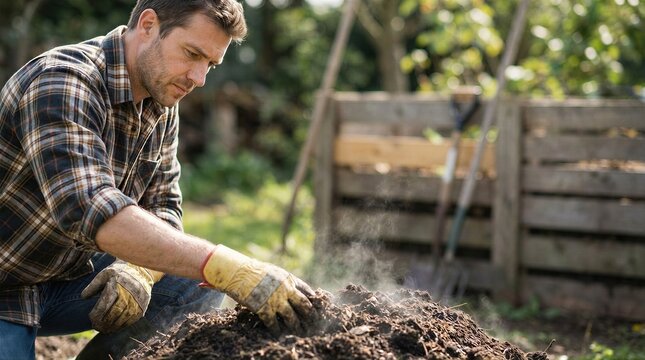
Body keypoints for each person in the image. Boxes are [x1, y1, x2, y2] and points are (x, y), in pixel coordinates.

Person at [0, 0, 316, 358]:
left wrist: (139, 270)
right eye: (192, 54)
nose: (199, 79)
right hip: (6, 284)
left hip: (63, 277)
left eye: (210, 64)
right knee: (210, 267)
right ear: (148, 25)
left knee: (192, 285)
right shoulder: (62, 81)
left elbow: (165, 206)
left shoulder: (160, 100)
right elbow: (88, 207)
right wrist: (227, 264)